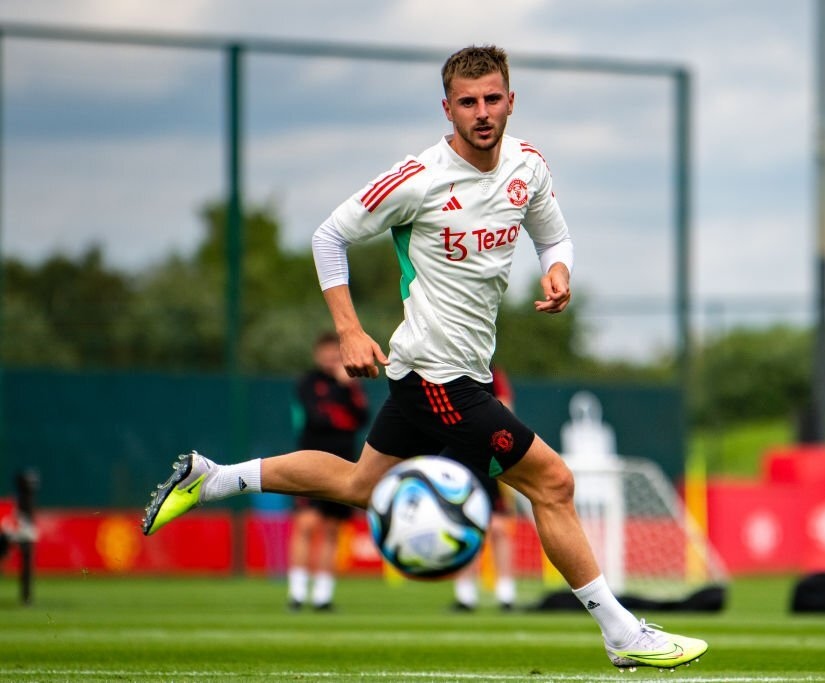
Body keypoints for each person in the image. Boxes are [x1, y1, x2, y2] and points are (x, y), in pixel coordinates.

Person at [141, 45, 707, 670]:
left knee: (362, 484)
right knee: (554, 483)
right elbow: (328, 235)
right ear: (448, 109)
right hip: (441, 378)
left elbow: (553, 232)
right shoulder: (419, 178)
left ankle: (215, 477)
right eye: (468, 102)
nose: (483, 112)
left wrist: (558, 271)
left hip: (449, 373)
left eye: (493, 99)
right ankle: (621, 633)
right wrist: (351, 331)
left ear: (511, 101)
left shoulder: (528, 166)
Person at [287, 331, 369, 611]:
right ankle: (297, 593)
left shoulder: (351, 384)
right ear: (317, 354)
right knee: (306, 524)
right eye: (328, 353)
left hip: (343, 462)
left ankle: (323, 596)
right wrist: (340, 414)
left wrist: (346, 389)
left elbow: (361, 418)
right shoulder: (308, 383)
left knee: (333, 529)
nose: (332, 358)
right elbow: (318, 418)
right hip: (309, 462)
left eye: (337, 354)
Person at [452, 364, 517, 612]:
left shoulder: (493, 374)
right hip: (459, 458)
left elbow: (506, 409)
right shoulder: (446, 370)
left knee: (499, 527)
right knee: (465, 527)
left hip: (490, 458)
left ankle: (506, 593)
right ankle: (465, 595)